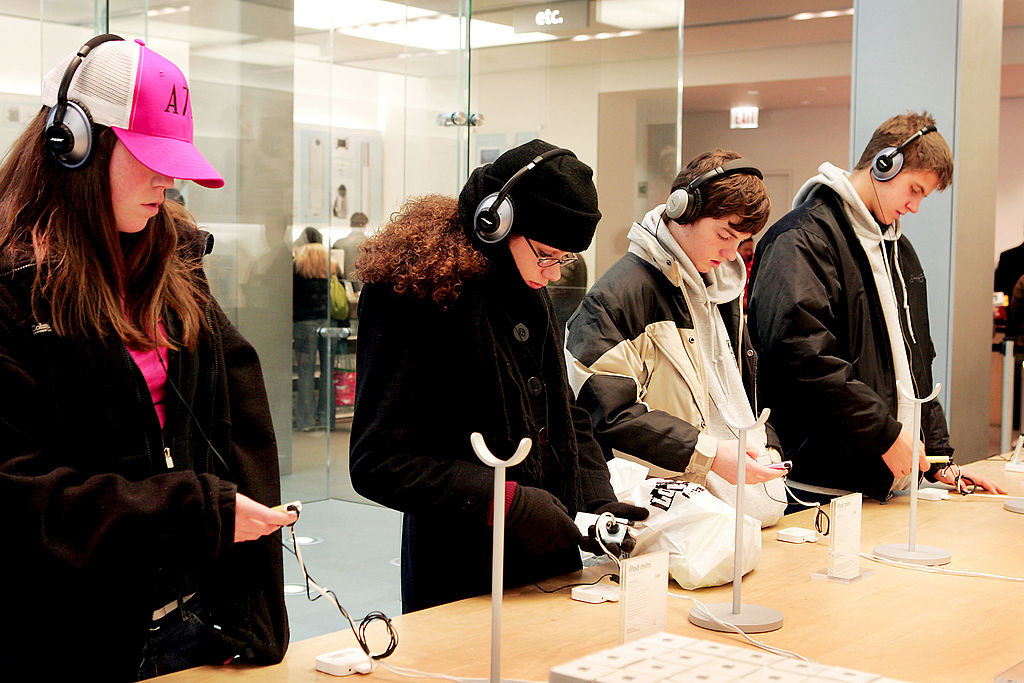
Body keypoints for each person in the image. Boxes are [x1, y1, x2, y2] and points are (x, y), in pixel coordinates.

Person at [0, 35, 295, 680]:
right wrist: (189, 513)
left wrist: (250, 610)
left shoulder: (175, 267)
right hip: (69, 635)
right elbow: (16, 492)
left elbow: (235, 432)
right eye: (146, 157)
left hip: (193, 626)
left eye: (176, 160)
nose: (168, 178)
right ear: (72, 143)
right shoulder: (11, 289)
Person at [349, 139, 648, 613]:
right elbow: (379, 462)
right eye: (547, 254)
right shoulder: (412, 294)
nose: (553, 273)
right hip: (462, 568)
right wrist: (506, 501)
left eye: (564, 260)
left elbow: (562, 409)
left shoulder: (525, 280)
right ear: (495, 221)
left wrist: (596, 499)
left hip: (551, 559)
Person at [748, 111, 1005, 503]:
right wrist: (884, 434)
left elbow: (916, 362)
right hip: (820, 488)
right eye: (915, 190)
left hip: (887, 485)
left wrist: (938, 460)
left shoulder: (899, 251)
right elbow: (802, 357)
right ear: (885, 164)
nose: (916, 207)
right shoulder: (800, 240)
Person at [564, 150, 786, 526]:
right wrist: (710, 454)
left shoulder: (721, 289)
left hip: (744, 520)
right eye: (724, 235)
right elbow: (608, 415)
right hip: (669, 524)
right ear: (682, 210)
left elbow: (737, 399)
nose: (732, 253)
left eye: (742, 240)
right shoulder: (615, 298)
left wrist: (767, 445)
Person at [293, 242, 341, 430]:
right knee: (328, 372)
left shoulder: (298, 267)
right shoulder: (333, 266)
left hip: (304, 323)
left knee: (305, 372)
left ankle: (306, 421)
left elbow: (291, 296)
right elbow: (340, 295)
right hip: (329, 323)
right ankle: (328, 419)